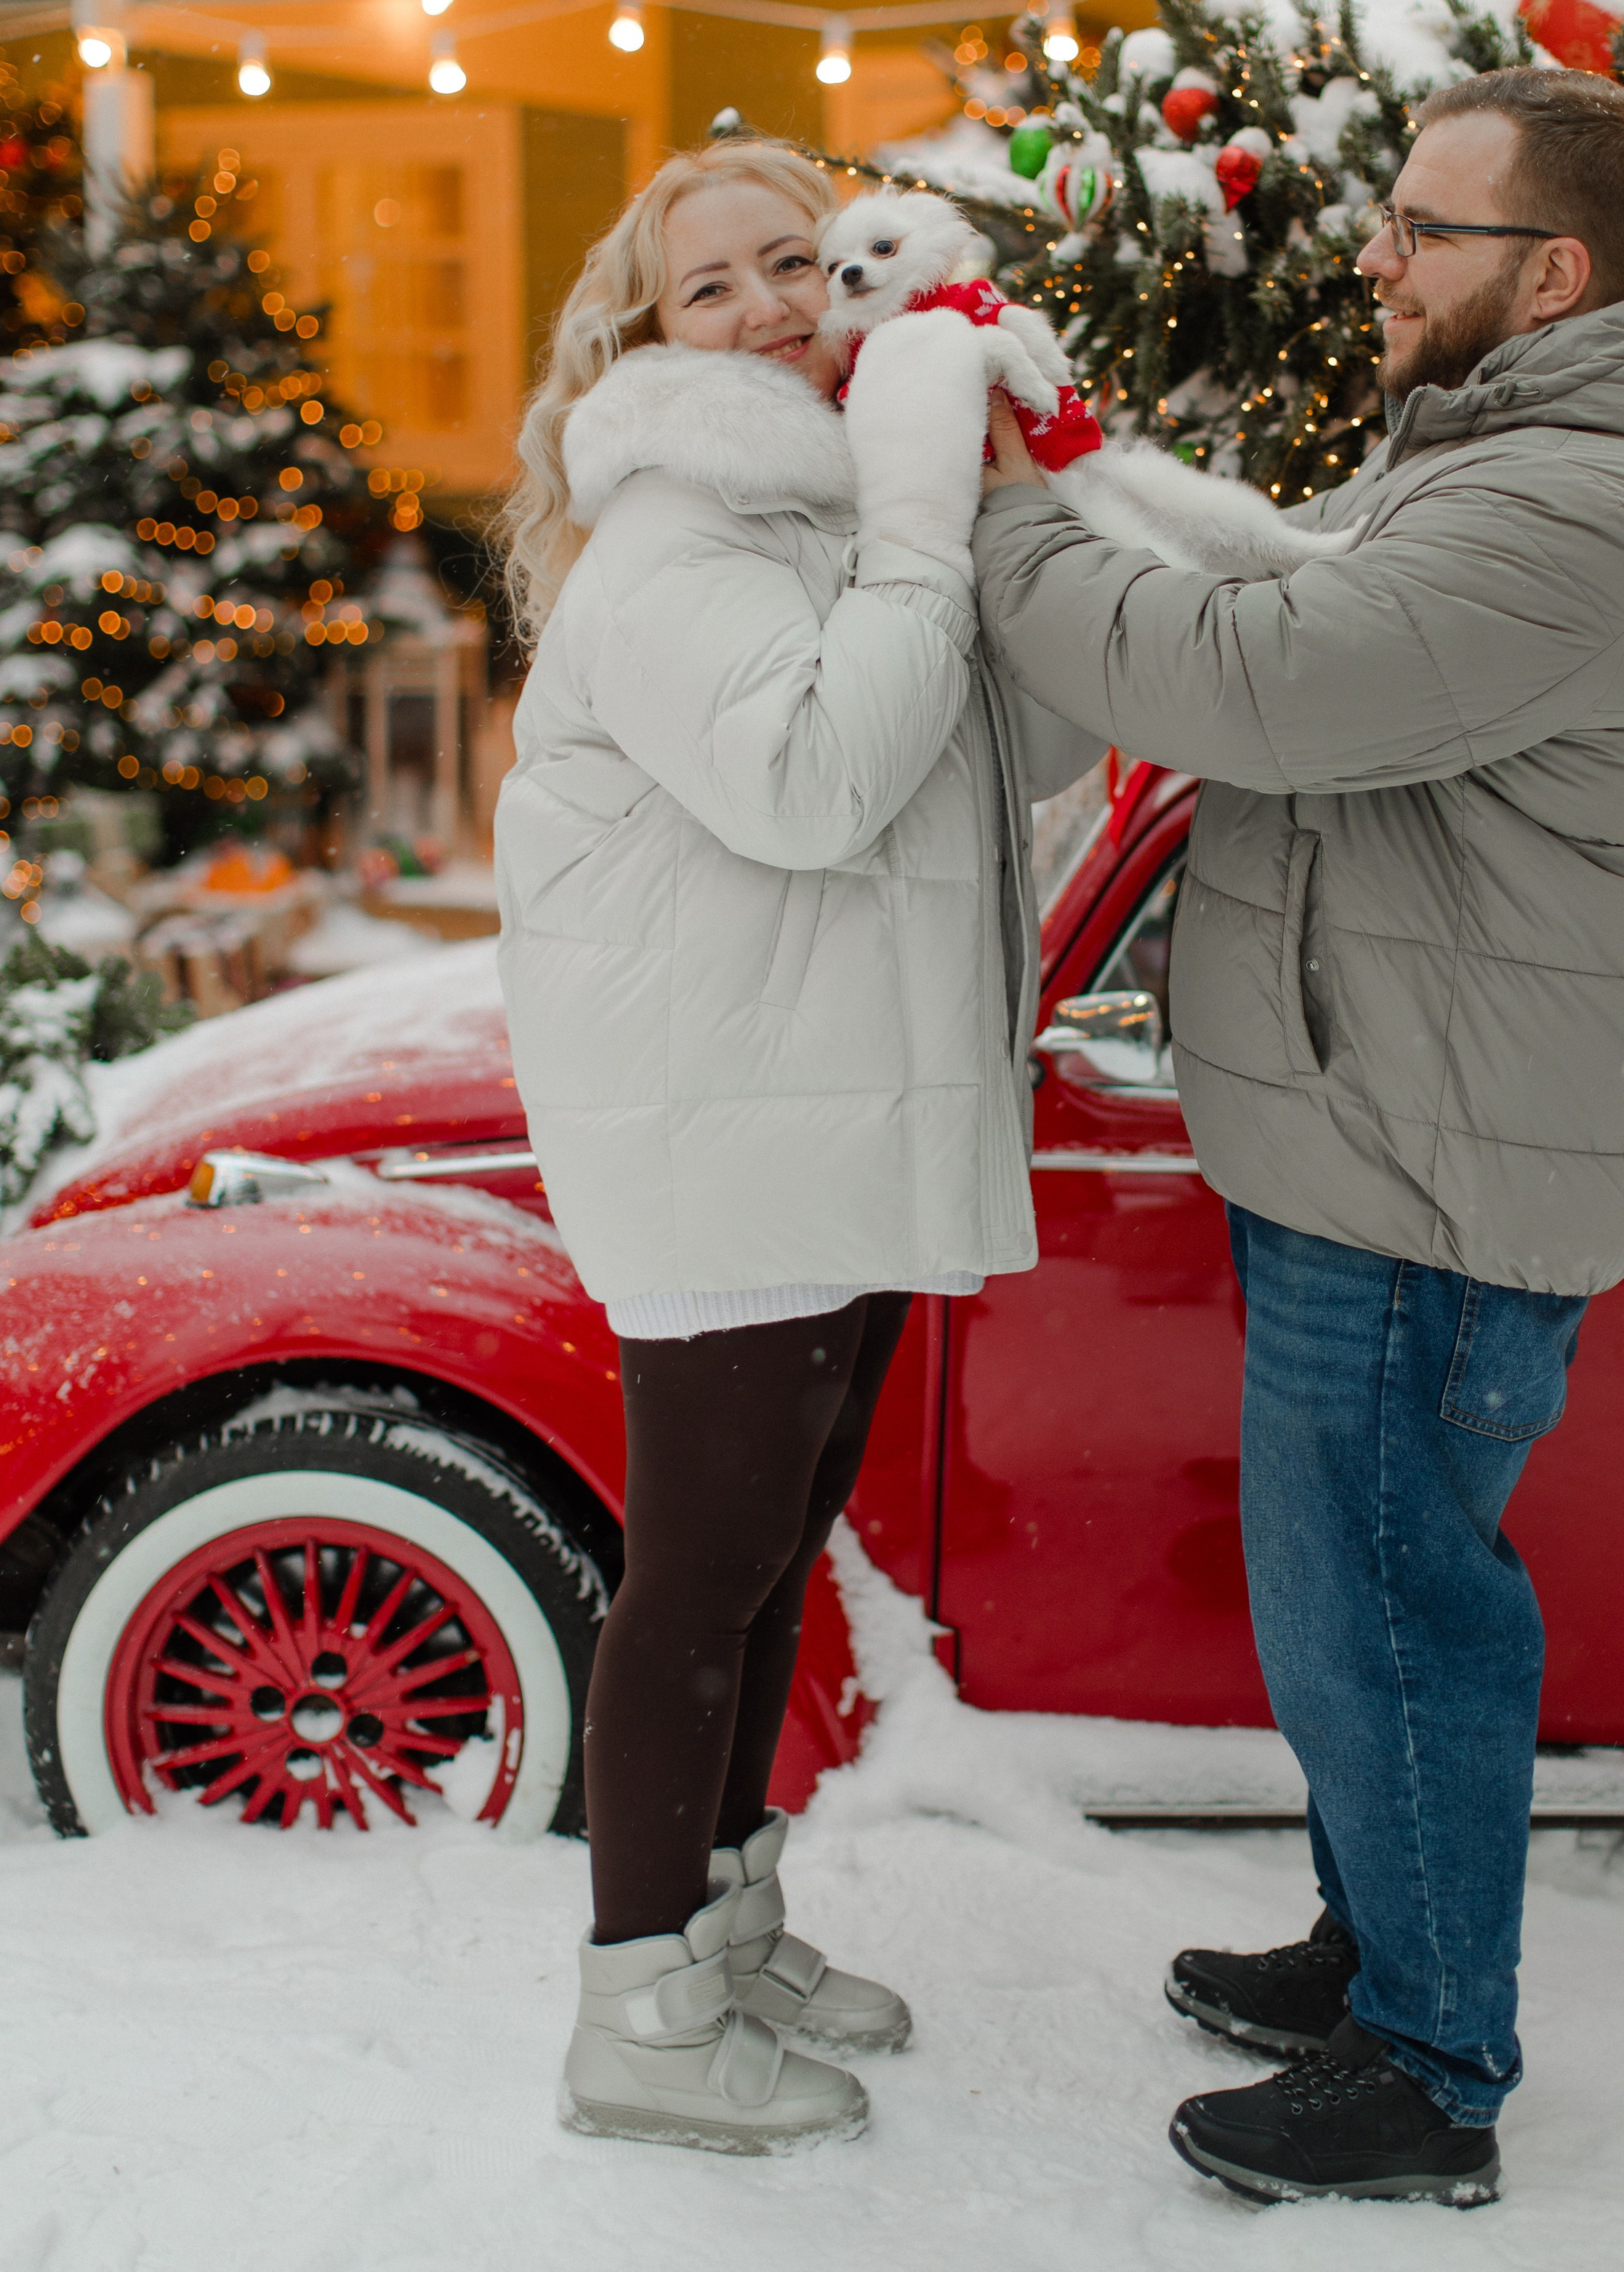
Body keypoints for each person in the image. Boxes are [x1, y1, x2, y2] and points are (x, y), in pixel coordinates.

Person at [971, 68, 1624, 2207]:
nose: (1374, 257)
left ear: (1559, 273)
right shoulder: (1512, 445)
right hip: (1394, 1117)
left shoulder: (1582, 501)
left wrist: (1003, 511)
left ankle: (1432, 2069)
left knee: (1394, 1606)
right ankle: (1381, 1950)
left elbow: (1247, 680)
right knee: (1348, 1590)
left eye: (1424, 228)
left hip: (1433, 1163)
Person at [495, 137, 1099, 2156]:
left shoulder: (825, 516)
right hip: (726, 1124)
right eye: (713, 285)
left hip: (821, 1102)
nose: (771, 308)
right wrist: (921, 525)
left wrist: (989, 511)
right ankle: (639, 2014)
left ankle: (720, 1928)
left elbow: (1031, 753)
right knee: (701, 1572)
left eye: (800, 262)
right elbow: (824, 783)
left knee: (768, 1567)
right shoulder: (676, 542)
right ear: (644, 341)